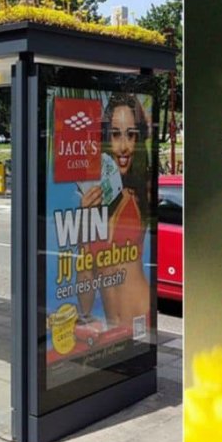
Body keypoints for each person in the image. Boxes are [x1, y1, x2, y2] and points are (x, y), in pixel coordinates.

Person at [77, 93, 152, 329]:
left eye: (131, 135)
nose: (123, 147)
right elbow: (86, 297)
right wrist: (83, 229)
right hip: (113, 330)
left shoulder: (141, 192)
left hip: (140, 315)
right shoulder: (94, 197)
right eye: (116, 134)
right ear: (106, 138)